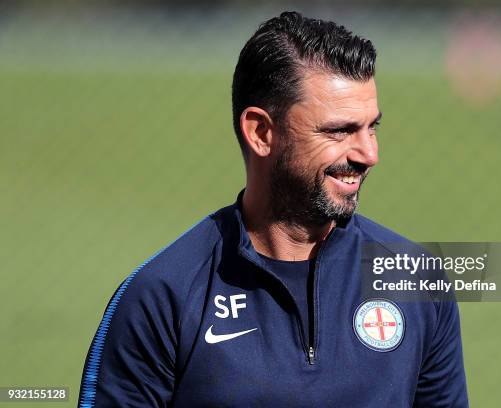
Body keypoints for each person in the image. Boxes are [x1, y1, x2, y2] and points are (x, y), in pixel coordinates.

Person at [78, 11, 468, 407]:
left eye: (372, 127)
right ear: (261, 133)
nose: (369, 154)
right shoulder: (163, 297)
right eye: (339, 130)